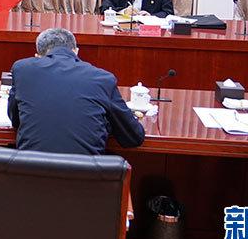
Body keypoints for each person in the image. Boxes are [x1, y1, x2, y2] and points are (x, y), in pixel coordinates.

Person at [8, 28, 145, 154]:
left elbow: (15, 120)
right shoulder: (102, 78)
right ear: (76, 51)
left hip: (31, 170)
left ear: (37, 56)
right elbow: (133, 137)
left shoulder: (22, 70)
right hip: (87, 171)